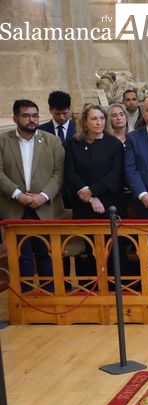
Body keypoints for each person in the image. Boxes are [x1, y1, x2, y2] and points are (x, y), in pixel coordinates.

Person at [0, 99, 66, 291]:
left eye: (35, 115)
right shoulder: (3, 142)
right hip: (15, 208)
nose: (31, 120)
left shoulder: (51, 141)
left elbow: (59, 173)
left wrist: (43, 196)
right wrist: (18, 194)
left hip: (45, 208)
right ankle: (27, 302)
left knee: (48, 254)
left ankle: (50, 298)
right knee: (22, 256)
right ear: (15, 118)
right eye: (26, 115)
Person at [64, 104, 124, 219]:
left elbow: (116, 173)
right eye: (94, 119)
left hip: (109, 201)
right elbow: (70, 172)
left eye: (102, 118)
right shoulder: (74, 144)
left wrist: (92, 191)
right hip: (82, 201)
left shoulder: (114, 144)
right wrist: (90, 196)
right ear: (85, 122)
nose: (99, 122)